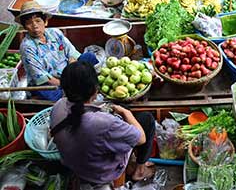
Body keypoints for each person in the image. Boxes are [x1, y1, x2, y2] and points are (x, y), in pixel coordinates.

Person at [50, 61, 156, 189]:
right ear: (95, 90)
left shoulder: (58, 106)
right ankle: (140, 171)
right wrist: (125, 112)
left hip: (72, 164)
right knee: (146, 119)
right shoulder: (103, 123)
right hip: (99, 173)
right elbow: (141, 139)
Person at [16, 1, 98, 101]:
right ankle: (76, 86)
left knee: (90, 56)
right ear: (25, 27)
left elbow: (71, 54)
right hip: (48, 81)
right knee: (52, 95)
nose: (34, 26)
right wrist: (66, 84)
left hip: (68, 73)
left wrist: (72, 74)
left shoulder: (55, 32)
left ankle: (75, 85)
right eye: (29, 23)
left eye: (38, 21)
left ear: (45, 22)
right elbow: (41, 76)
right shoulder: (27, 47)